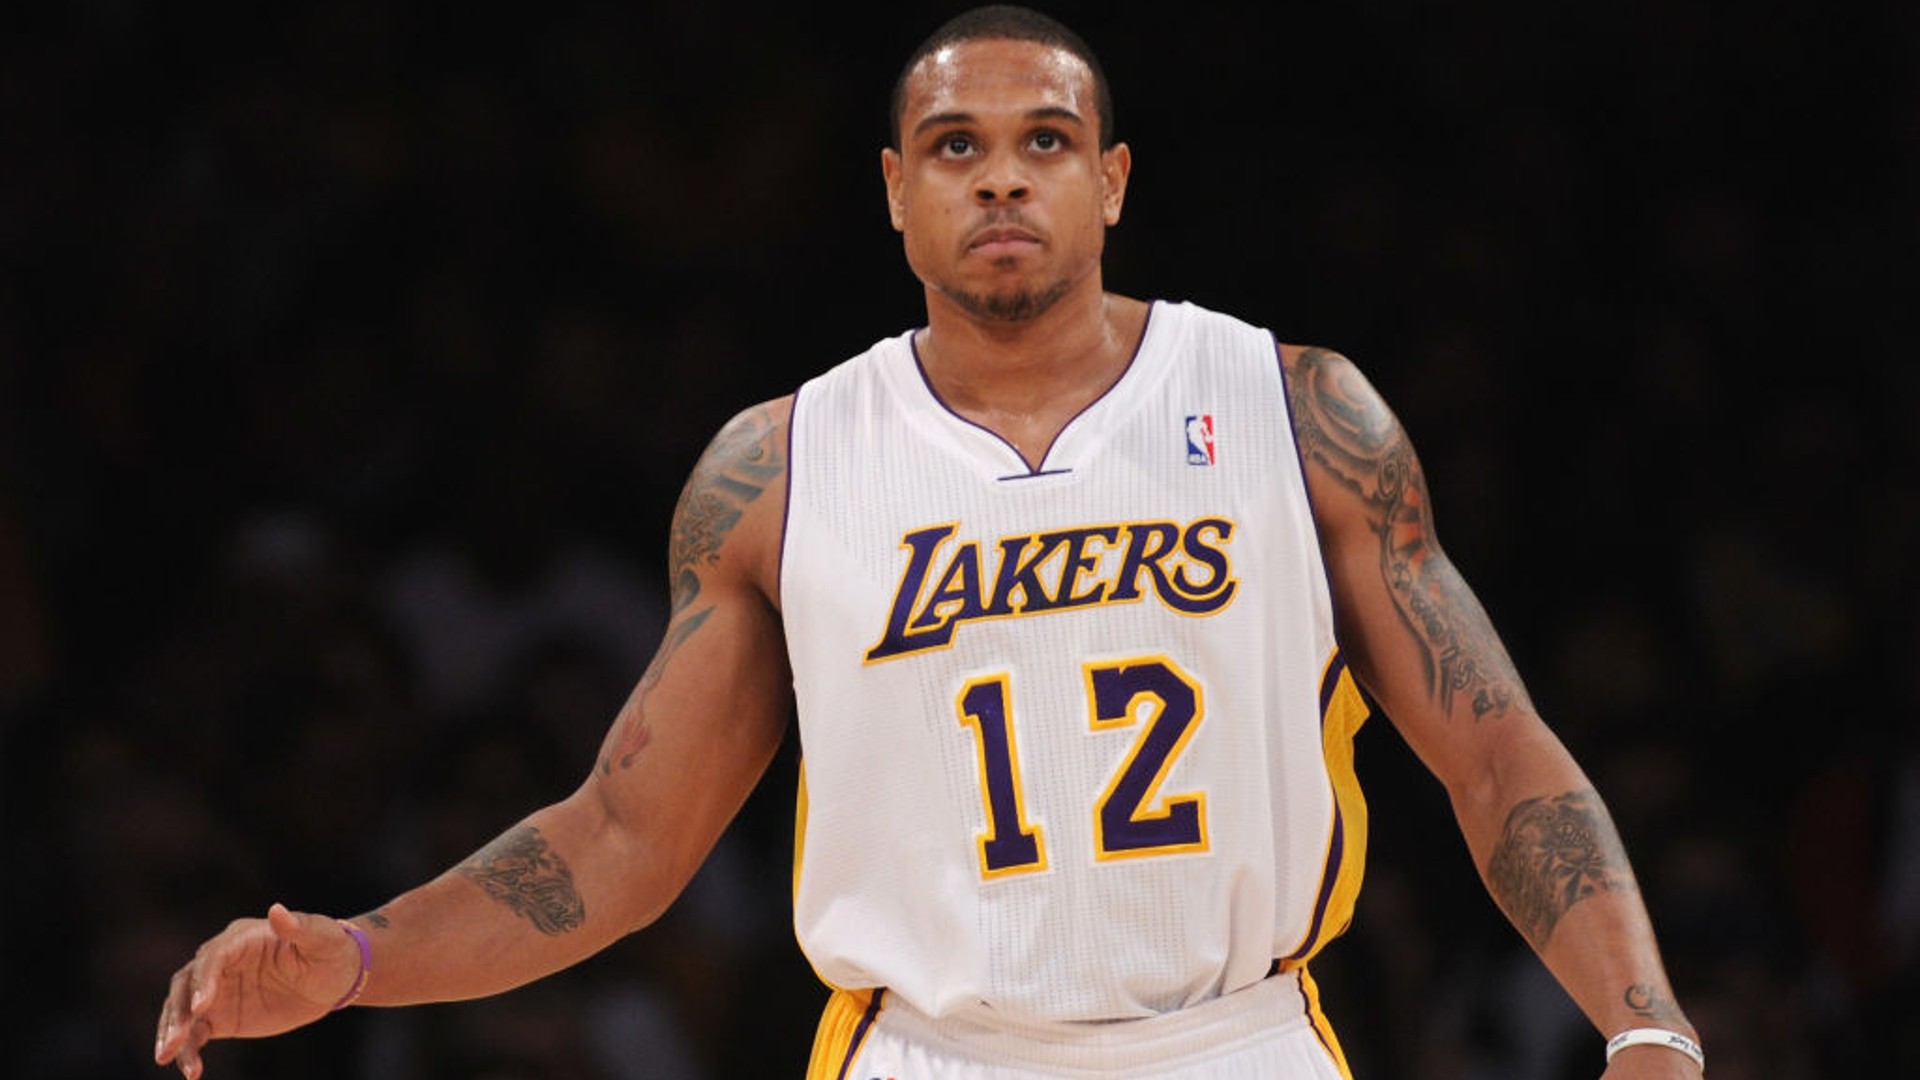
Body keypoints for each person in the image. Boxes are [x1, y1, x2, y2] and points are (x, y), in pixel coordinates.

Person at [155, 6, 1706, 1078]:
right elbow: (619, 840)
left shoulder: (1297, 412)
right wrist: (351, 959)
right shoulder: (783, 466)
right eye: (955, 148)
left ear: (1109, 180)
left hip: (1233, 1038)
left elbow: (1496, 754)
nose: (1004, 175)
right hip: (926, 1049)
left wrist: (1644, 1023)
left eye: (1045, 140)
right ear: (898, 197)